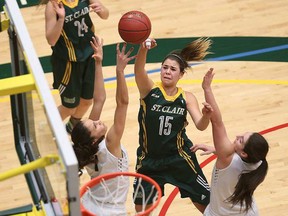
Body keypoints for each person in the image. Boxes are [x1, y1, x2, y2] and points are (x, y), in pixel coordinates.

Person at [132, 38, 213, 213]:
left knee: (207, 205)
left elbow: (201, 125)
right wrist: (143, 49)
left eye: (173, 69)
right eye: (165, 67)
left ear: (181, 74)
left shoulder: (187, 97)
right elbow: (138, 70)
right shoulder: (150, 90)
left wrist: (206, 115)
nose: (167, 72)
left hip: (179, 158)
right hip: (149, 160)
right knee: (141, 211)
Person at [71, 37, 136, 215]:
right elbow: (122, 103)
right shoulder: (110, 143)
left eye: (93, 120)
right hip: (111, 211)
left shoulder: (86, 148)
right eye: (95, 125)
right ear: (94, 140)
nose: (98, 121)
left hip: (88, 203)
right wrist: (120, 71)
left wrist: (98, 63)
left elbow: (99, 100)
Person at [191, 68, 269, 215]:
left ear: (244, 153)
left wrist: (207, 89)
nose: (237, 135)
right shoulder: (259, 163)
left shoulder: (227, 158)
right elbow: (233, 157)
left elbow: (217, 121)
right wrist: (216, 150)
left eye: (240, 140)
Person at [40, 0, 109, 133]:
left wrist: (102, 9)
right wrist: (61, 19)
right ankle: (46, 130)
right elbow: (51, 40)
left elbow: (105, 15)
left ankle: (70, 128)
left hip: (89, 55)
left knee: (87, 101)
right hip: (68, 62)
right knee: (69, 107)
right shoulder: (53, 4)